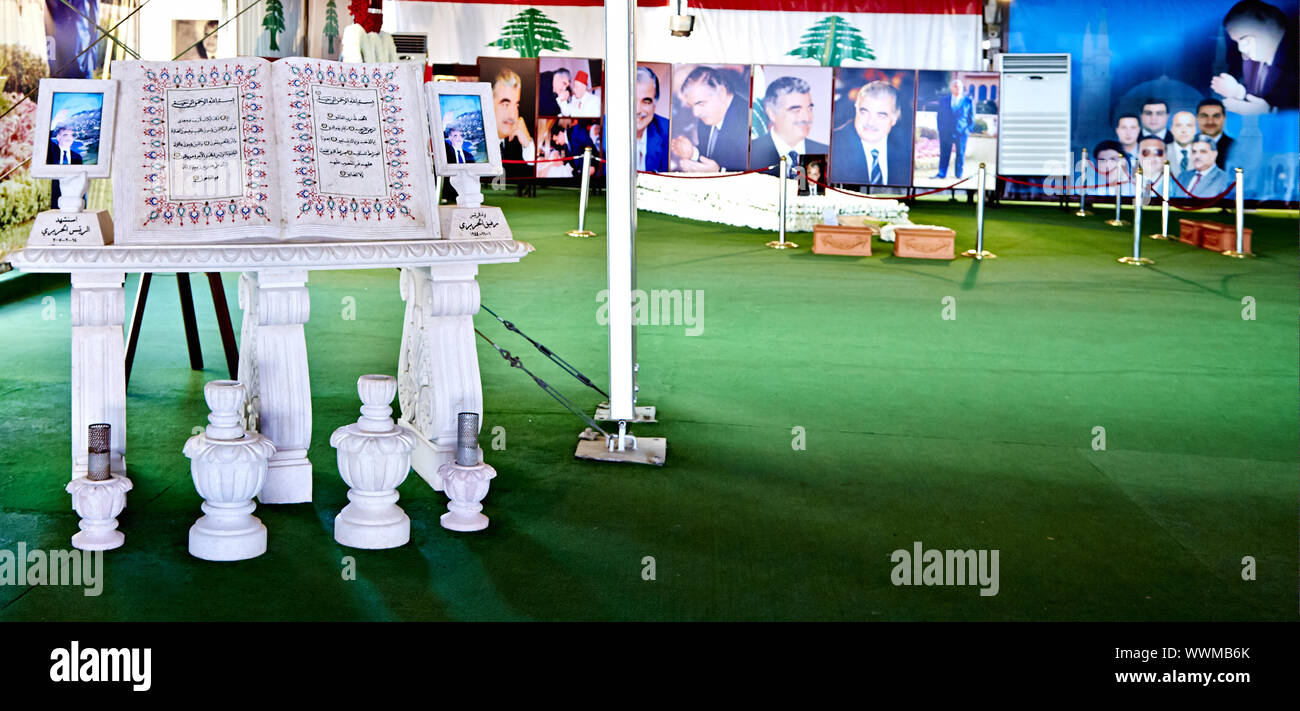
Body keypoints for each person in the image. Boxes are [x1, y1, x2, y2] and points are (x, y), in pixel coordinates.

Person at [1211, 0, 1296, 115]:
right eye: (1236, 41)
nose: (1241, 48)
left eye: (1244, 38)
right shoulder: (1251, 60)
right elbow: (1260, 98)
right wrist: (1239, 92)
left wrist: (1270, 113)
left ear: (1269, 28)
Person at [829, 80, 909, 186]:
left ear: (895, 117)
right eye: (864, 112)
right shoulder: (833, 146)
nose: (870, 122)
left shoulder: (908, 147)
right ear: (856, 109)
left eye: (881, 115)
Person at [671, 66, 749, 172]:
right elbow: (713, 158)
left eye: (701, 103)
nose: (695, 113)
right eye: (691, 105)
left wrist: (719, 172)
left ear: (721, 93)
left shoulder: (748, 122)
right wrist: (692, 153)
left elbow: (755, 177)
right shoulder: (705, 121)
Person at [749, 76, 828, 176]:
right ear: (772, 113)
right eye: (796, 110)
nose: (806, 118)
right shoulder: (750, 153)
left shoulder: (825, 152)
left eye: (809, 109)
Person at [491, 68, 535, 185]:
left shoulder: (519, 139)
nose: (512, 115)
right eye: (505, 104)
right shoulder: (473, 140)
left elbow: (531, 177)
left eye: (516, 105)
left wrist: (528, 145)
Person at [932, 77, 975, 179]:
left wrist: (968, 130)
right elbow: (940, 116)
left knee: (960, 154)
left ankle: (959, 175)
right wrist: (940, 129)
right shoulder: (944, 100)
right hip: (946, 132)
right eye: (955, 86)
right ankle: (942, 173)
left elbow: (972, 117)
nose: (958, 88)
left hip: (961, 132)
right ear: (951, 88)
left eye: (960, 86)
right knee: (945, 153)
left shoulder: (968, 101)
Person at [635, 66, 670, 172]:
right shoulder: (604, 131)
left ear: (655, 103)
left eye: (646, 101)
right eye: (631, 100)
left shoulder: (668, 131)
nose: (637, 110)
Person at [1195, 98, 1234, 169]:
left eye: (1216, 116)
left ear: (1224, 118)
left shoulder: (1235, 148)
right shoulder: (1187, 146)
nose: (1210, 121)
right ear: (1197, 118)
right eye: (1204, 116)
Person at [1166, 110, 1198, 177]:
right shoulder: (1162, 152)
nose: (1184, 130)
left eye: (1189, 125)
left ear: (1195, 130)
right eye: (1178, 125)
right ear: (1172, 129)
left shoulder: (1205, 154)